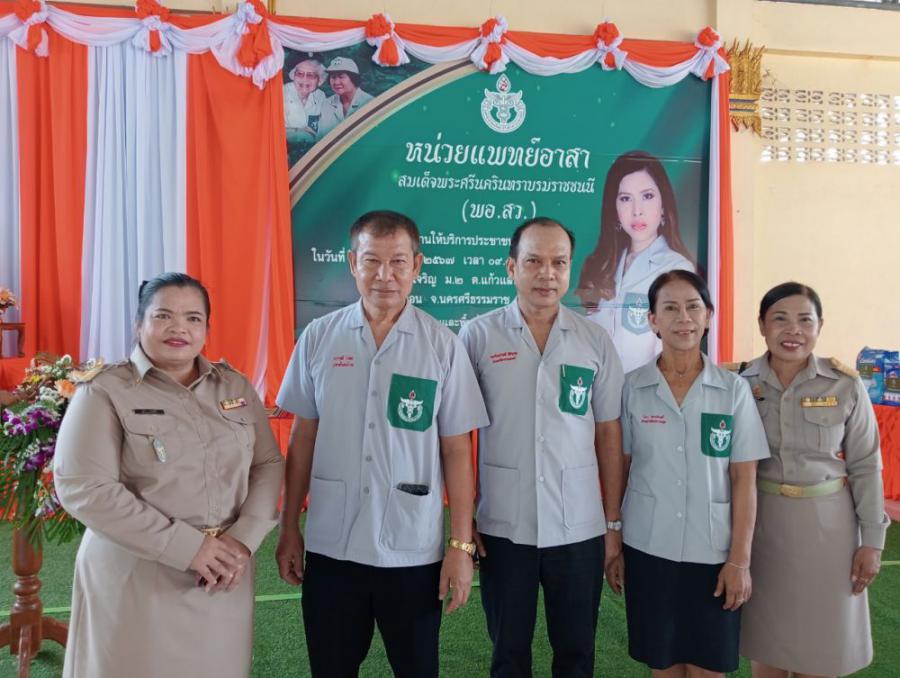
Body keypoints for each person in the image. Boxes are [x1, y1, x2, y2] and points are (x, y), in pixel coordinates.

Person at [275, 210, 488, 677]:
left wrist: (460, 545)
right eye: (371, 261)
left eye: (398, 262)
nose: (384, 275)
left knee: (416, 668)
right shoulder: (319, 338)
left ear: (417, 265)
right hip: (332, 547)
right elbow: (303, 437)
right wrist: (289, 525)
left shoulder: (442, 345)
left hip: (412, 550)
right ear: (353, 263)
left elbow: (457, 450)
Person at [53, 272, 285, 678]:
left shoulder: (234, 387)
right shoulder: (104, 391)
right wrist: (188, 548)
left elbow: (267, 464)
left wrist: (242, 541)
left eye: (193, 318)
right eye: (163, 316)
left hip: (224, 573)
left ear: (207, 328)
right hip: (138, 574)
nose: (179, 328)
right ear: (138, 324)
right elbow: (85, 487)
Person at [460, 217, 626, 677]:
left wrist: (612, 521)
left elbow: (609, 432)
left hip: (579, 527)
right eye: (533, 261)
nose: (547, 274)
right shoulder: (478, 336)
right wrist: (463, 518)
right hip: (503, 526)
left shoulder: (594, 340)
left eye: (559, 262)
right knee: (508, 652)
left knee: (576, 653)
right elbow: (456, 435)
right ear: (511, 267)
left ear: (570, 268)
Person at [618, 269, 769, 677]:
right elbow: (621, 469)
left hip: (713, 552)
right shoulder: (632, 388)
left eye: (693, 307)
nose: (683, 318)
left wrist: (739, 560)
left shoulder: (733, 390)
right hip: (649, 548)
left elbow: (744, 479)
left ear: (708, 316)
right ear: (652, 320)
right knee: (663, 664)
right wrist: (613, 538)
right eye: (670, 308)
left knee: (708, 667)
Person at [737, 282, 889, 678]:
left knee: (823, 648)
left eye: (805, 320)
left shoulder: (845, 384)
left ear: (820, 326)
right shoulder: (738, 383)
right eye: (780, 319)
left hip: (829, 532)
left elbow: (866, 465)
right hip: (762, 528)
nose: (794, 330)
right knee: (767, 644)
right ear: (762, 325)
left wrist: (872, 541)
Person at [576, 150, 695, 374]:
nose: (637, 210)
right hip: (597, 388)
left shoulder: (677, 269)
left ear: (663, 205)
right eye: (625, 198)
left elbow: (676, 349)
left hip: (647, 389)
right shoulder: (600, 267)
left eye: (647, 196)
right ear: (614, 208)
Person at [316, 56, 374, 139]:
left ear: (353, 78)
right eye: (333, 77)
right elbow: (320, 139)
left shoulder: (370, 103)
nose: (336, 82)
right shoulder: (326, 104)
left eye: (341, 77)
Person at [284, 58, 327, 144]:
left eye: (311, 75)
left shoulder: (320, 96)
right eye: (300, 74)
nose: (304, 79)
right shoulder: (281, 93)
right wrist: (300, 132)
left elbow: (324, 129)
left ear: (319, 80)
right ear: (293, 76)